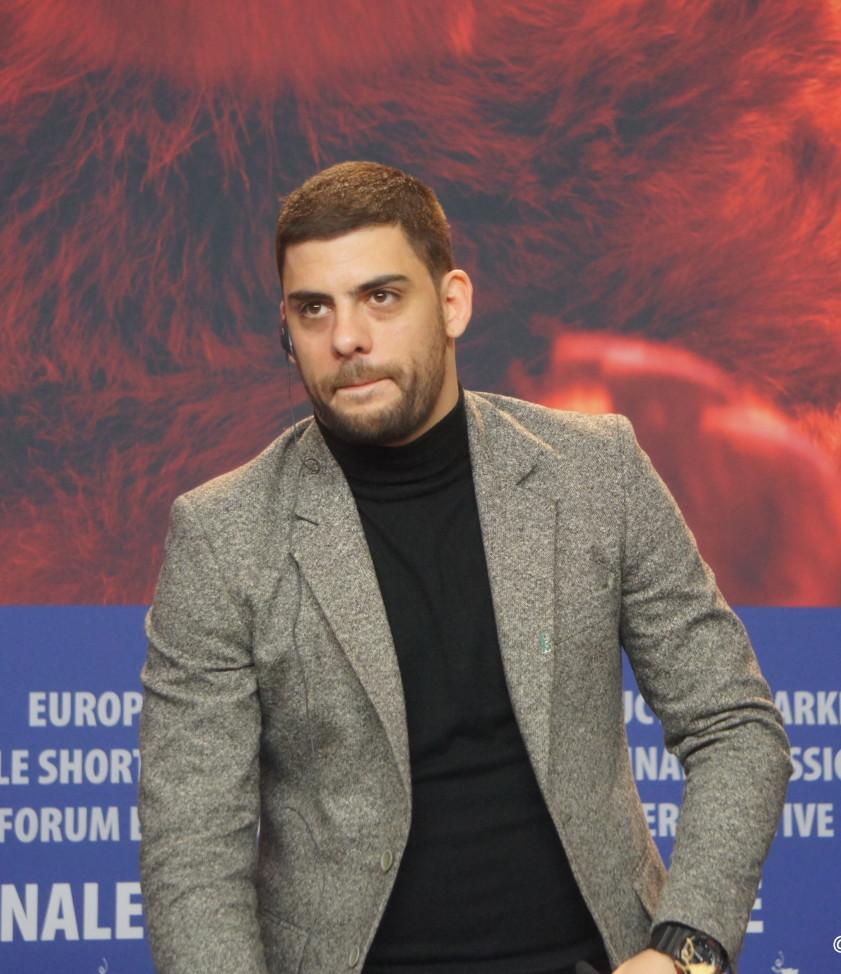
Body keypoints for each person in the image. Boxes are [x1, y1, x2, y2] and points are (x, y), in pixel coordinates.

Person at [139, 161, 791, 974]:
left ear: (452, 303)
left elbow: (735, 727)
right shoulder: (223, 534)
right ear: (287, 329)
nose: (347, 339)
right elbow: (192, 847)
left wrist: (685, 952)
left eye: (381, 297)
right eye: (315, 308)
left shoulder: (596, 472)